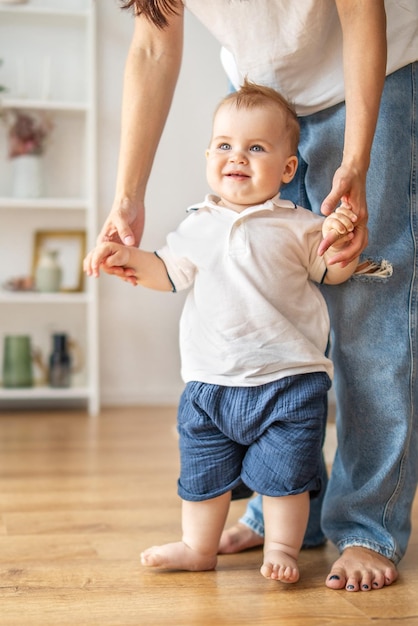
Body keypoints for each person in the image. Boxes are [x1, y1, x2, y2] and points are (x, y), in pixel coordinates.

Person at [88, 0, 418, 592]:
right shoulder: (208, 210)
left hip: (374, 74)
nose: (229, 160)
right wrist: (126, 197)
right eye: (219, 150)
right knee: (268, 322)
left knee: (373, 317)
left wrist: (356, 165)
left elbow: (361, 11)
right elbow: (152, 43)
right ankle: (283, 516)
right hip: (262, 91)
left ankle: (367, 527)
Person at [85, 82, 359, 583]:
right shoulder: (197, 224)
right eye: (226, 145)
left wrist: (341, 241)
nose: (238, 157)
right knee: (202, 475)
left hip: (289, 382)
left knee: (285, 478)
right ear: (209, 154)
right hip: (210, 383)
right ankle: (198, 546)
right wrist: (126, 260)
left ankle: (282, 548)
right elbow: (167, 272)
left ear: (288, 169)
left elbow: (331, 274)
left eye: (256, 147)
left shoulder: (300, 226)